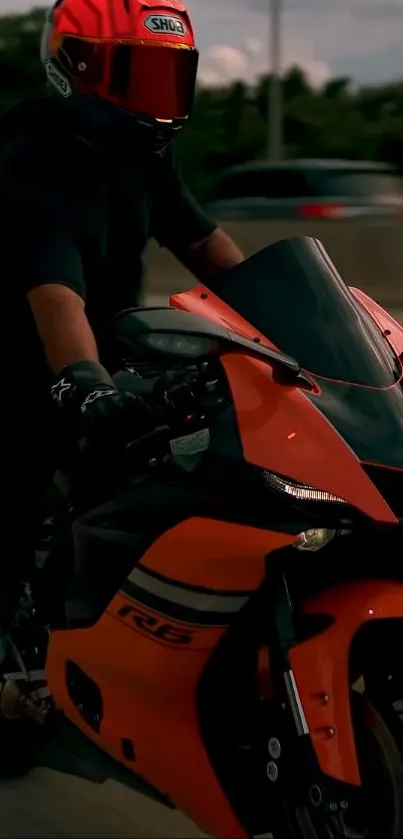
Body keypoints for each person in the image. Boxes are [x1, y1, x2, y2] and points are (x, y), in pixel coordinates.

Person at [0, 0, 244, 711]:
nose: (154, 98)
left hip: (108, 348)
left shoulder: (145, 153)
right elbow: (54, 292)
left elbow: (203, 245)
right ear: (73, 69)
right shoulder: (27, 159)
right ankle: (10, 649)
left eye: (168, 78)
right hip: (27, 356)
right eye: (136, 76)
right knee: (16, 479)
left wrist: (302, 320)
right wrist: (85, 384)